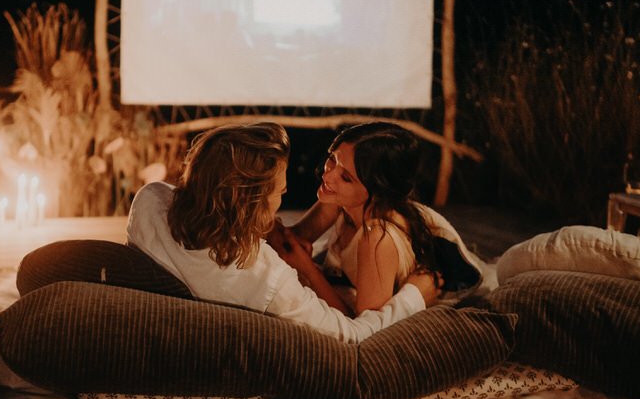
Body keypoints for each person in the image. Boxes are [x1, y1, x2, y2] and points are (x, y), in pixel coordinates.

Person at [126, 121, 439, 343]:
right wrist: (415, 294)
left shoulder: (149, 201)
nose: (284, 195)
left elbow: (295, 237)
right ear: (250, 205)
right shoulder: (263, 275)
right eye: (279, 193)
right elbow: (354, 334)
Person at [266, 122, 476, 317]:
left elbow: (363, 326)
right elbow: (290, 240)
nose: (328, 176)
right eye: (332, 159)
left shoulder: (378, 237)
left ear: (377, 191)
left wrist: (307, 268)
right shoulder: (339, 198)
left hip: (442, 297)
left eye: (346, 178)